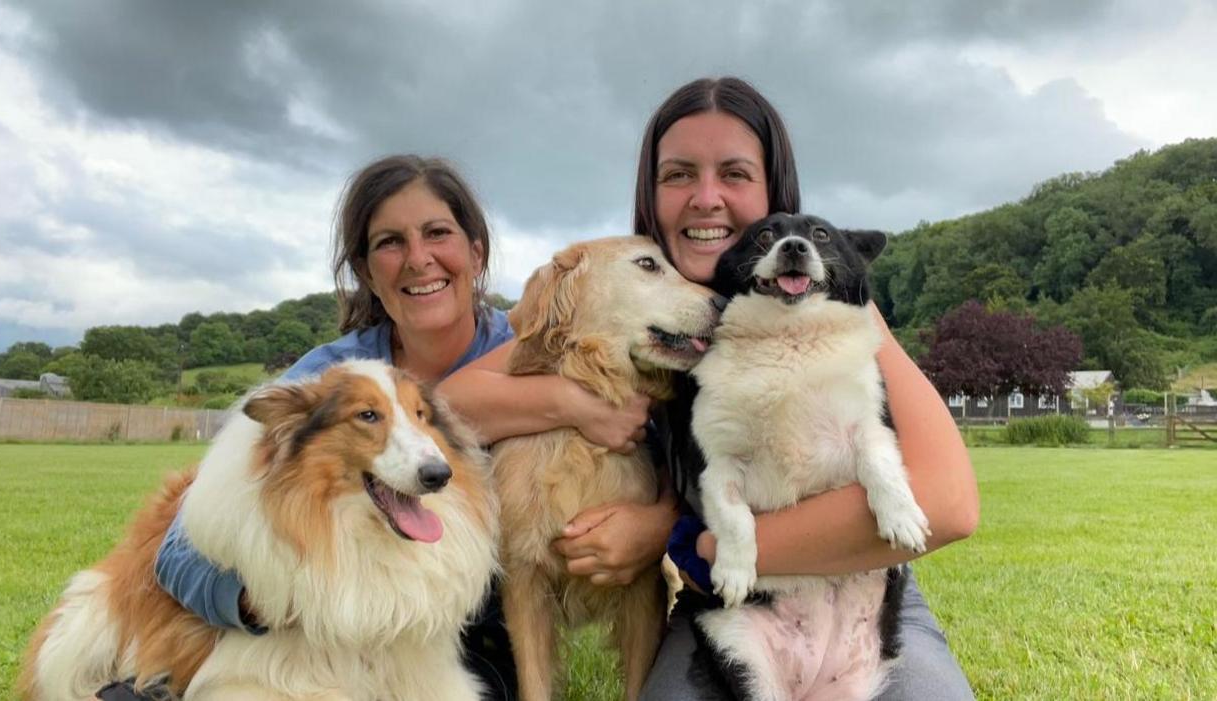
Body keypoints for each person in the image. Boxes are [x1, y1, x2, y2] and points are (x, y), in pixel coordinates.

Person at [452, 77, 980, 700]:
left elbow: (948, 504)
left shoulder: (833, 308)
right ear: (651, 197)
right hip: (728, 612)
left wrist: (684, 540)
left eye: (734, 173)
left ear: (773, 194)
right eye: (678, 175)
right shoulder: (632, 304)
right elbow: (452, 402)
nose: (706, 198)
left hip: (859, 596)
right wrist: (569, 403)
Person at [151, 154, 650, 700]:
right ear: (366, 271)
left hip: (475, 639)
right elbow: (177, 554)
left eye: (438, 233)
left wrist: (654, 523)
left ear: (475, 252)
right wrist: (271, 597)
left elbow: (665, 468)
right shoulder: (328, 376)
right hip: (329, 638)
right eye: (390, 242)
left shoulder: (544, 348)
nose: (418, 260)